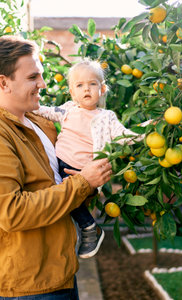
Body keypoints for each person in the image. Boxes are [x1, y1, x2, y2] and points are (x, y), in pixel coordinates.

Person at [0, 36, 112, 299]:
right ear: (3, 82)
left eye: (40, 76)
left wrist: (88, 181)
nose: (42, 84)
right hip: (27, 286)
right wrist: (83, 183)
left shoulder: (38, 122)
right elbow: (12, 212)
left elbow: (59, 184)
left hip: (59, 272)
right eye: (33, 78)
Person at [34, 59, 145, 259]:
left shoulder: (106, 117)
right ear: (72, 92)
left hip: (84, 172)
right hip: (60, 165)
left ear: (102, 89)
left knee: (68, 195)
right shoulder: (68, 110)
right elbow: (45, 111)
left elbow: (124, 136)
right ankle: (83, 231)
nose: (86, 89)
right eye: (80, 85)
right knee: (57, 197)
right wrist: (24, 106)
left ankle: (89, 227)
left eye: (92, 84)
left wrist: (148, 130)